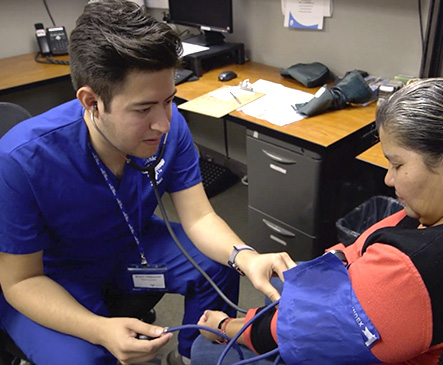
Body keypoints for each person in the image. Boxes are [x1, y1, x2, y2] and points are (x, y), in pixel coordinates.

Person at [0, 1, 295, 364]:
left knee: (219, 263)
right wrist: (98, 329)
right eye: (143, 109)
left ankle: (194, 355)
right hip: (52, 275)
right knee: (90, 358)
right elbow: (19, 282)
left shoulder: (171, 130)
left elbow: (200, 218)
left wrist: (245, 256)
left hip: (129, 245)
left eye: (168, 100)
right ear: (91, 101)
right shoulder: (21, 159)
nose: (164, 124)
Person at [193, 78, 443, 364]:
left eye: (397, 165)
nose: (388, 180)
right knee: (291, 279)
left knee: (204, 348)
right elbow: (374, 246)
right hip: (382, 302)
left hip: (370, 319)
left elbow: (304, 336)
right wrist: (335, 265)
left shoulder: (414, 271)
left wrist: (228, 325)